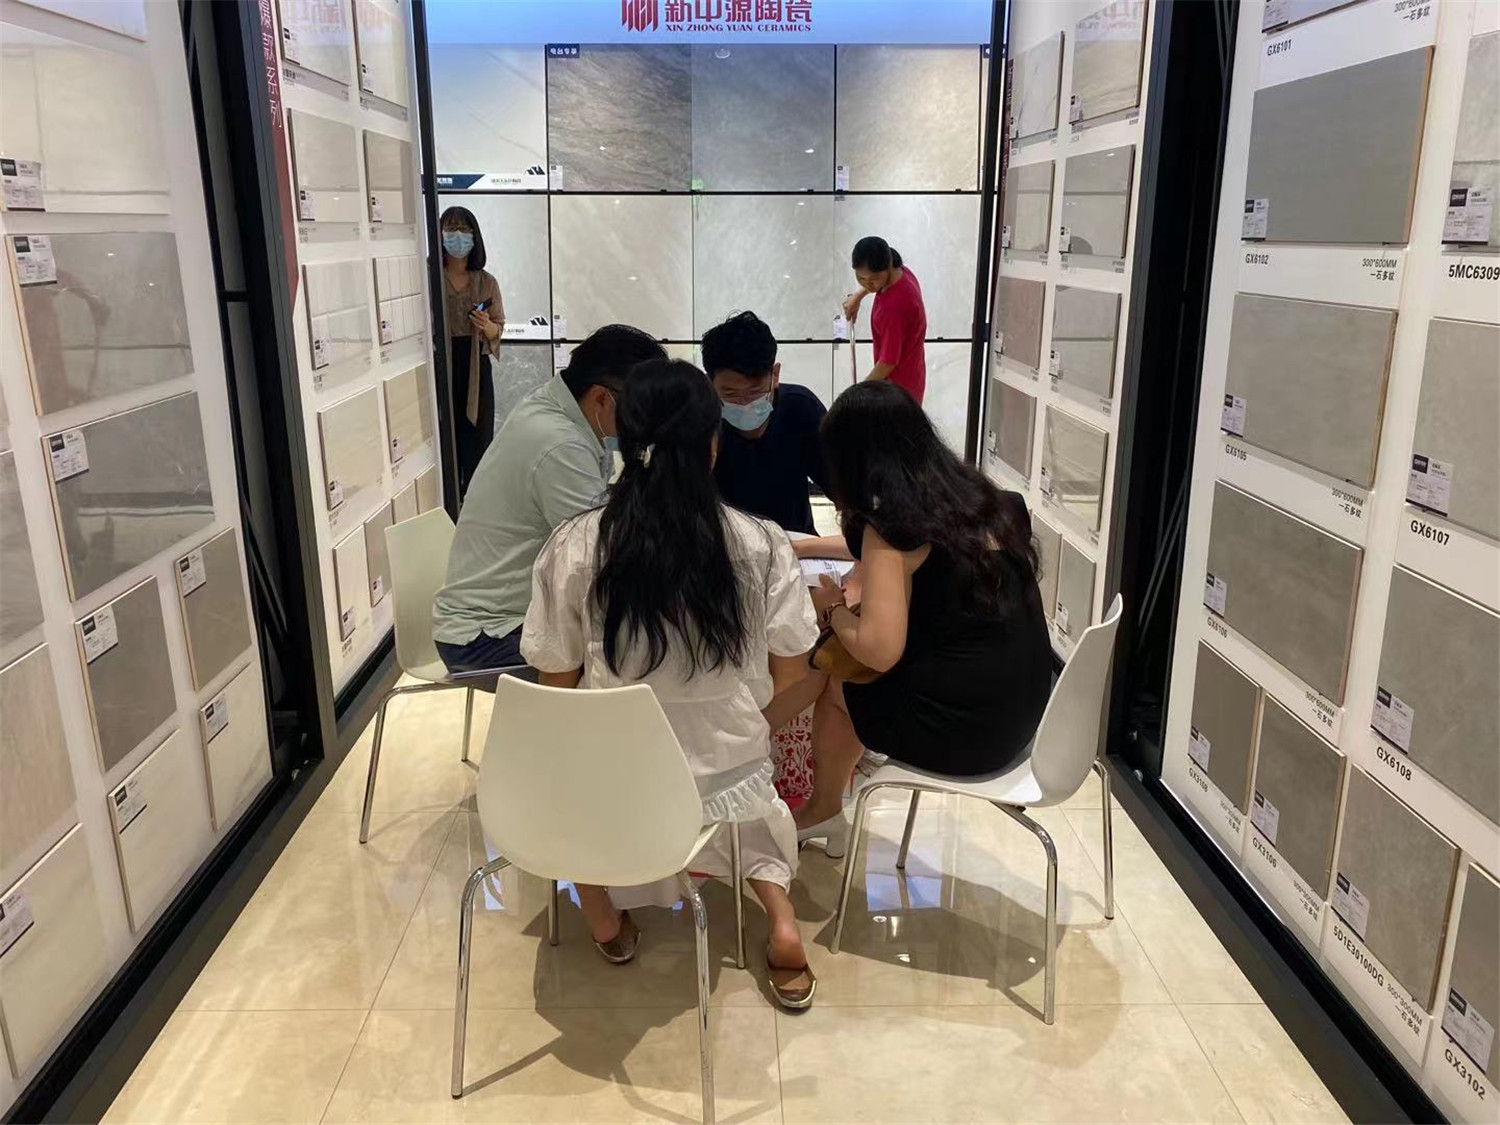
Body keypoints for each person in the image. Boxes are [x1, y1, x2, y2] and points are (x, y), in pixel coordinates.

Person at [522, 358, 822, 1009]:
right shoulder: (762, 543)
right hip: (730, 775)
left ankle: (603, 916)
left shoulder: (575, 545)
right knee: (753, 802)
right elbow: (794, 674)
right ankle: (781, 922)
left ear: (622, 441)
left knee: (571, 780)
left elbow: (553, 683)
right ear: (713, 444)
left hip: (620, 781)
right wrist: (738, 721)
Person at [793, 381, 1052, 831]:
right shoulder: (987, 502)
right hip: (1027, 717)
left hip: (967, 737)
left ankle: (823, 811)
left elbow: (879, 650)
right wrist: (812, 547)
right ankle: (826, 809)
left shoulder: (893, 531)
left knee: (839, 683)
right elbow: (911, 557)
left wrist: (832, 609)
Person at [432, 324, 666, 679]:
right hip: (488, 636)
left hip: (500, 618)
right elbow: (602, 555)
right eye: (641, 408)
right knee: (641, 656)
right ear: (602, 398)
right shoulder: (560, 444)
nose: (644, 422)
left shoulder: (555, 407)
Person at [703, 311, 848, 559]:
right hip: (725, 552)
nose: (744, 404)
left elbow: (845, 492)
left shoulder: (801, 409)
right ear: (710, 384)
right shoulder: (703, 420)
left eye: (755, 391)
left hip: (798, 547)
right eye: (730, 394)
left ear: (775, 375)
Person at [440, 205, 504, 496]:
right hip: (440, 367)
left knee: (477, 447)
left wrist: (486, 325)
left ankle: (473, 509)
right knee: (444, 448)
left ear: (474, 236)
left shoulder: (486, 282)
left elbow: (498, 328)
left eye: (464, 229)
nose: (458, 235)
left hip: (475, 371)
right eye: (451, 228)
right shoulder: (429, 277)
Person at [840, 236, 928, 404]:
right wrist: (858, 296)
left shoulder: (895, 306)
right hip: (911, 378)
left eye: (873, 279)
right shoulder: (901, 273)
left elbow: (887, 363)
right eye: (861, 278)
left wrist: (858, 392)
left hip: (898, 394)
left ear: (887, 266)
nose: (868, 284)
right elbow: (873, 282)